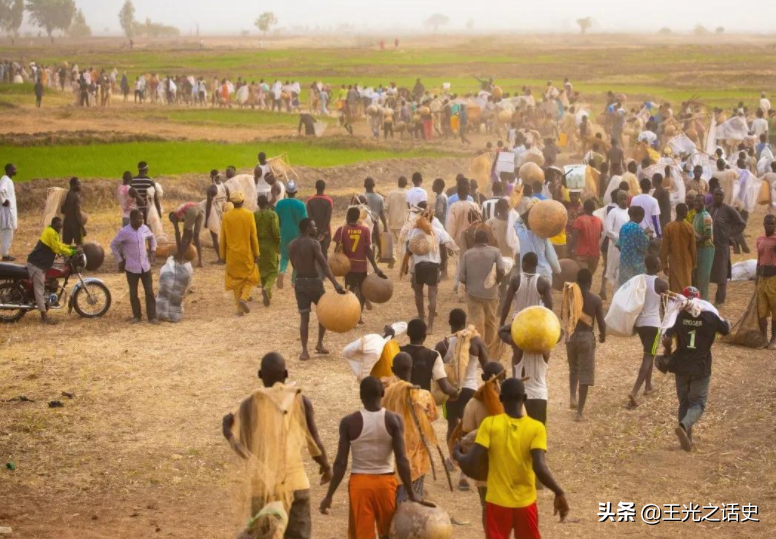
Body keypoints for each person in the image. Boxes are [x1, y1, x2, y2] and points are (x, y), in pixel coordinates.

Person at [223, 352, 332, 539]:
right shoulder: (300, 400)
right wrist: (325, 466)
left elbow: (245, 451)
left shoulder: (249, 404)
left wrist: (226, 431)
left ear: (259, 375)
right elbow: (314, 441)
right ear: (286, 373)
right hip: (296, 484)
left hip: (263, 487)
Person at [454, 378, 569, 539]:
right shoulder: (536, 428)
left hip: (497, 503)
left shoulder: (490, 424)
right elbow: (540, 467)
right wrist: (559, 492)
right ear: (524, 399)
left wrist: (457, 455)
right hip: (525, 503)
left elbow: (472, 462)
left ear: (501, 399)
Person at [319, 376, 419, 539]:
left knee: (361, 535)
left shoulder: (349, 422)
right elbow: (401, 460)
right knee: (387, 533)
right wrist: (411, 492)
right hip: (385, 484)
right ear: (382, 393)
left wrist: (329, 495)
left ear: (361, 396)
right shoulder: (394, 420)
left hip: (360, 484)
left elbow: (340, 463)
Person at [658, 288, 731, 452]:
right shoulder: (710, 317)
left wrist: (667, 353)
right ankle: (684, 427)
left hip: (681, 366)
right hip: (701, 367)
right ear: (699, 300)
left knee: (684, 402)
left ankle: (686, 438)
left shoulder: (678, 316)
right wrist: (727, 321)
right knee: (697, 403)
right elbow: (726, 329)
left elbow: (667, 338)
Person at [434, 309, 488, 488]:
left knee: (452, 425)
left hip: (452, 391)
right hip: (470, 391)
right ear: (465, 322)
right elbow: (487, 368)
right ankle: (464, 473)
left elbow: (436, 370)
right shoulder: (476, 341)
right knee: (466, 430)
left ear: (449, 321)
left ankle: (451, 458)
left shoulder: (443, 344)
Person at [381, 352, 439, 503]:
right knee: (413, 502)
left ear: (393, 370)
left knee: (391, 501)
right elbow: (432, 417)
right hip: (416, 461)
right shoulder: (424, 395)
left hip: (392, 456)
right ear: (412, 367)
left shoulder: (385, 393)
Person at [289, 218, 346, 360]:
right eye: (314, 226)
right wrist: (335, 284)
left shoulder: (291, 244)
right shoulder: (314, 244)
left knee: (304, 317)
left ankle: (304, 351)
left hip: (300, 282)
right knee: (323, 313)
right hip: (314, 282)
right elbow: (324, 265)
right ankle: (319, 343)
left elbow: (294, 266)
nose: (316, 228)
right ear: (308, 228)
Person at [460, 361, 506, 525]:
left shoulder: (473, 404)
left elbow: (465, 439)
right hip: (509, 467)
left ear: (482, 377)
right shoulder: (513, 402)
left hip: (484, 469)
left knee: (487, 509)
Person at [627, 255, 669, 408]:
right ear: (656, 265)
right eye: (659, 262)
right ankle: (634, 390)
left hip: (640, 324)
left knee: (648, 352)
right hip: (653, 324)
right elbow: (667, 304)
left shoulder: (639, 280)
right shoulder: (661, 283)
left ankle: (648, 386)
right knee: (648, 356)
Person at [565, 269, 605, 421]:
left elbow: (566, 316)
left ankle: (572, 396)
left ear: (577, 281)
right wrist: (602, 335)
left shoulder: (570, 296)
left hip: (571, 336)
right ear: (590, 282)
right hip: (586, 338)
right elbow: (601, 322)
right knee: (585, 374)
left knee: (573, 368)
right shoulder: (595, 300)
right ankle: (579, 412)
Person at [459, 230, 506, 357]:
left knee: (476, 322)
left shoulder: (467, 254)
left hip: (473, 293)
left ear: (475, 240)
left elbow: (461, 277)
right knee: (490, 322)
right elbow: (501, 270)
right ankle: (489, 352)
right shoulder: (496, 252)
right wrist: (497, 282)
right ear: (488, 240)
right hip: (491, 293)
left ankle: (477, 351)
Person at [333, 207, 386, 319]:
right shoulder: (365, 230)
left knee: (349, 290)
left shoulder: (342, 230)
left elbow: (336, 250)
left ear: (347, 216)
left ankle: (350, 315)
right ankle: (358, 315)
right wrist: (375, 267)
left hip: (348, 267)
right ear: (358, 218)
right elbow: (368, 249)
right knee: (362, 292)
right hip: (361, 266)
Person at [407, 214, 455, 333]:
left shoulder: (414, 231)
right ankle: (430, 327)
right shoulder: (438, 231)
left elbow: (409, 249)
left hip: (419, 265)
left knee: (418, 292)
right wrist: (443, 266)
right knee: (432, 295)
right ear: (432, 220)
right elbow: (443, 249)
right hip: (433, 265)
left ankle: (421, 319)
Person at [110, 209, 158, 324]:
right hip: (131, 267)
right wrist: (120, 260)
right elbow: (113, 245)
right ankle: (137, 316)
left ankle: (152, 317)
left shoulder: (144, 228)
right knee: (133, 293)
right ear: (131, 219)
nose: (141, 221)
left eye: (142, 218)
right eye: (139, 218)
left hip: (145, 266)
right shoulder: (124, 232)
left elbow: (152, 238)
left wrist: (153, 250)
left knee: (149, 292)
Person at [26, 217, 77, 324]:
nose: (59, 229)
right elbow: (56, 248)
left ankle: (46, 305)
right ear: (53, 225)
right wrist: (72, 252)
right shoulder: (51, 232)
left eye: (61, 227)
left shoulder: (52, 232)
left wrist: (72, 248)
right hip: (37, 264)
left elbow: (59, 245)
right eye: (58, 226)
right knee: (39, 290)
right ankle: (44, 317)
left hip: (39, 263)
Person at [219, 192, 260, 316]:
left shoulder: (226, 216)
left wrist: (222, 256)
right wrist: (256, 252)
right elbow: (253, 236)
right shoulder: (249, 215)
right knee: (250, 277)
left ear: (232, 202)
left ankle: (239, 309)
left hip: (232, 254)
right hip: (246, 252)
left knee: (236, 280)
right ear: (242, 202)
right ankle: (244, 298)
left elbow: (223, 238)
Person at [400, 318, 459, 401]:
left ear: (408, 333)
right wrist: (455, 393)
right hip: (422, 403)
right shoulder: (433, 355)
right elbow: (445, 387)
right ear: (425, 336)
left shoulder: (398, 351)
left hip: (401, 401)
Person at [708, 188, 746, 305]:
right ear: (713, 195)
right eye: (716, 194)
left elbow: (741, 223)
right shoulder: (708, 209)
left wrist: (730, 234)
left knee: (721, 274)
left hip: (722, 246)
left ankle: (720, 300)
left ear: (723, 197)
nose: (718, 197)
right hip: (709, 246)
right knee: (707, 272)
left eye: (720, 195)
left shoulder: (728, 210)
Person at [500, 252, 553, 327]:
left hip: (518, 320)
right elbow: (549, 306)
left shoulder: (515, 280)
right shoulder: (543, 282)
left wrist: (502, 322)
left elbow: (507, 303)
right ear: (536, 264)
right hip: (536, 321)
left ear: (524, 263)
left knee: (503, 333)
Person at [275, 180, 307, 289]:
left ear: (286, 192)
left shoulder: (280, 204)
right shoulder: (301, 205)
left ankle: (282, 271)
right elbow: (304, 221)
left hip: (284, 233)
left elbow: (276, 220)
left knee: (284, 256)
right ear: (296, 191)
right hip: (297, 235)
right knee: (297, 258)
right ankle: (294, 281)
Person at [659, 203, 697, 293]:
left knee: (675, 287)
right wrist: (694, 264)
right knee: (687, 286)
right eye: (686, 210)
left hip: (674, 262)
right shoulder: (689, 227)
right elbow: (693, 249)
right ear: (684, 212)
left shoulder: (669, 227)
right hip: (687, 262)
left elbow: (664, 249)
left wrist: (664, 264)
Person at [254, 195, 280, 306]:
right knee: (273, 270)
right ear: (267, 203)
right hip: (270, 245)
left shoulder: (254, 215)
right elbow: (275, 231)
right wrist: (278, 243)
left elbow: (252, 231)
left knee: (262, 270)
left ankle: (267, 293)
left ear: (258, 204)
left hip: (258, 245)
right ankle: (267, 287)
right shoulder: (272, 215)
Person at [616, 206, 650, 286]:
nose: (642, 218)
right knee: (636, 286)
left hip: (624, 262)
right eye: (641, 216)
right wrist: (648, 235)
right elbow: (644, 244)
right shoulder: (637, 228)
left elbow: (619, 244)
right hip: (635, 263)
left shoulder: (623, 227)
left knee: (625, 285)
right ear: (636, 215)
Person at [568, 198, 604, 273]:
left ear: (584, 208)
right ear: (594, 209)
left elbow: (574, 236)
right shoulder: (599, 221)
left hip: (582, 254)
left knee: (582, 276)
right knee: (589, 276)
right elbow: (600, 236)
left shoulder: (579, 220)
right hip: (595, 254)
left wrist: (569, 250)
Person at [757, 215, 776, 349]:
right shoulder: (760, 240)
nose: (770, 226)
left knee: (775, 309)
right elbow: (759, 259)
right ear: (763, 224)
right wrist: (756, 278)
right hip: (762, 278)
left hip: (773, 278)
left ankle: (773, 339)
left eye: (773, 224)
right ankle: (764, 338)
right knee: (761, 311)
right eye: (768, 224)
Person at [204, 169, 230, 264]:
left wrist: (206, 220)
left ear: (211, 177)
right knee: (225, 235)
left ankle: (220, 258)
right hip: (224, 212)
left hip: (214, 212)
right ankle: (227, 257)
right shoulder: (225, 187)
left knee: (215, 236)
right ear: (219, 176)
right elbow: (229, 201)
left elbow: (208, 205)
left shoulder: (211, 188)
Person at [692, 194, 715, 301]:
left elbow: (707, 235)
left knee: (703, 279)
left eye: (699, 201)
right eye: (695, 201)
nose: (697, 203)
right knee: (697, 278)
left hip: (706, 249)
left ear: (704, 203)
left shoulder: (706, 216)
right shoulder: (696, 215)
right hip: (698, 249)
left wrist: (695, 243)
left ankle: (704, 303)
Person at [169, 201, 204, 267]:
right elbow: (190, 235)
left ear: (172, 217)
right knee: (196, 236)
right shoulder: (182, 213)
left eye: (173, 221)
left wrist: (179, 252)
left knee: (185, 237)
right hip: (200, 209)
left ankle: (180, 260)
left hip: (192, 210)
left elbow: (179, 233)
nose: (174, 222)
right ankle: (200, 261)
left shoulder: (175, 215)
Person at [305, 180, 334, 259]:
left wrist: (315, 231)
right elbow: (328, 217)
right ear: (324, 188)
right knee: (324, 255)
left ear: (315, 187)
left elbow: (310, 218)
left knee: (313, 255)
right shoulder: (329, 201)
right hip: (326, 232)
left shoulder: (310, 201)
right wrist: (323, 232)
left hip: (313, 232)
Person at [363, 177, 388, 259]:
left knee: (365, 244)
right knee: (373, 243)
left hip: (363, 225)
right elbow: (382, 215)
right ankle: (377, 254)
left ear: (364, 186)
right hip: (375, 225)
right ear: (374, 185)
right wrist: (385, 227)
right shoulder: (379, 198)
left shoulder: (361, 197)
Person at [386, 176, 409, 259]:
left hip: (392, 223)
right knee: (403, 245)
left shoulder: (390, 193)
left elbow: (385, 208)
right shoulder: (408, 193)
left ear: (398, 183)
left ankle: (393, 257)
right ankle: (402, 264)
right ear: (406, 184)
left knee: (393, 244)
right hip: (404, 224)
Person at [0, 163, 18, 261]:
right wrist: (3, 201)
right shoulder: (5, 179)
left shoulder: (8, 180)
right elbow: (0, 190)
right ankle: (5, 255)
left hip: (9, 212)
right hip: (7, 213)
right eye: (14, 169)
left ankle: (5, 253)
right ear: (8, 170)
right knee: (7, 234)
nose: (16, 170)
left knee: (8, 233)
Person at [61, 177, 86, 246]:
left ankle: (67, 257)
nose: (80, 186)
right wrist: (83, 228)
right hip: (75, 225)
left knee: (66, 245)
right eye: (78, 184)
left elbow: (62, 210)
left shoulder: (66, 195)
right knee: (79, 246)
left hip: (66, 224)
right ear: (73, 185)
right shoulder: (76, 197)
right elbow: (78, 215)